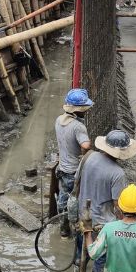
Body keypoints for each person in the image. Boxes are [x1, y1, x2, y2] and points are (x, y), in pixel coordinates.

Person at [77, 130, 136, 272]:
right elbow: (118, 205)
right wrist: (126, 226)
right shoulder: (117, 173)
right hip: (102, 224)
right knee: (100, 258)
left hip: (83, 215)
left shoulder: (88, 157)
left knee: (81, 251)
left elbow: (77, 183)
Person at [55, 88, 93, 238]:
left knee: (63, 200)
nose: (86, 111)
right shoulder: (78, 127)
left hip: (62, 168)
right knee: (75, 201)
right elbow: (85, 145)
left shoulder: (59, 120)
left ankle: (63, 230)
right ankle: (77, 229)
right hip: (74, 172)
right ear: (78, 110)